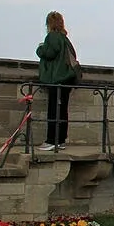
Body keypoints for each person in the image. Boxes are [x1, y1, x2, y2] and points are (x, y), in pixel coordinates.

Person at [34, 11, 79, 152]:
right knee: (62, 111)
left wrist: (40, 48)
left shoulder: (52, 37)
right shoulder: (65, 39)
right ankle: (60, 140)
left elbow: (50, 53)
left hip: (57, 80)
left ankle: (52, 140)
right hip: (66, 80)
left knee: (54, 110)